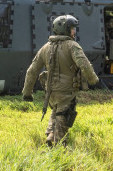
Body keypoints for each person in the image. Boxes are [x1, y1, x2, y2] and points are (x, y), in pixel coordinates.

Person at [22, 14, 99, 147]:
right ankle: (58, 147)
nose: (74, 31)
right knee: (63, 116)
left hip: (50, 92)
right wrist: (93, 80)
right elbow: (85, 65)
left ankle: (50, 135)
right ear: (66, 30)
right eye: (72, 28)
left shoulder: (45, 47)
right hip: (67, 91)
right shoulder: (72, 46)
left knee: (56, 110)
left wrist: (27, 93)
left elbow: (31, 71)